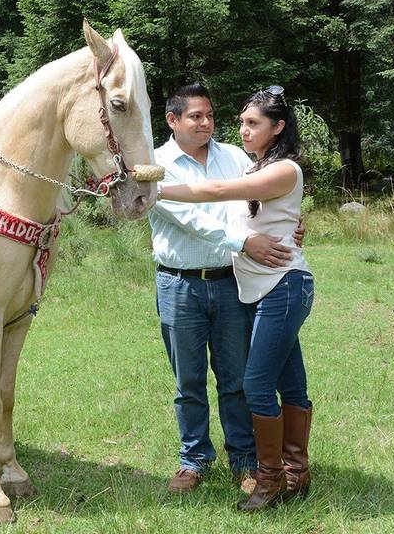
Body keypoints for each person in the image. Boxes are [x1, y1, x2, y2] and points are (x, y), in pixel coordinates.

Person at [159, 85, 314, 510]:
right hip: (181, 281)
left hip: (242, 284)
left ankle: (255, 467)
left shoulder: (237, 158)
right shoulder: (156, 165)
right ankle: (195, 461)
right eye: (195, 116)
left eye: (210, 114)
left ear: (276, 127)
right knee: (189, 381)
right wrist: (256, 237)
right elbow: (207, 215)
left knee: (243, 381)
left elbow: (238, 196)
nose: (207, 123)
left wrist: (289, 228)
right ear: (172, 120)